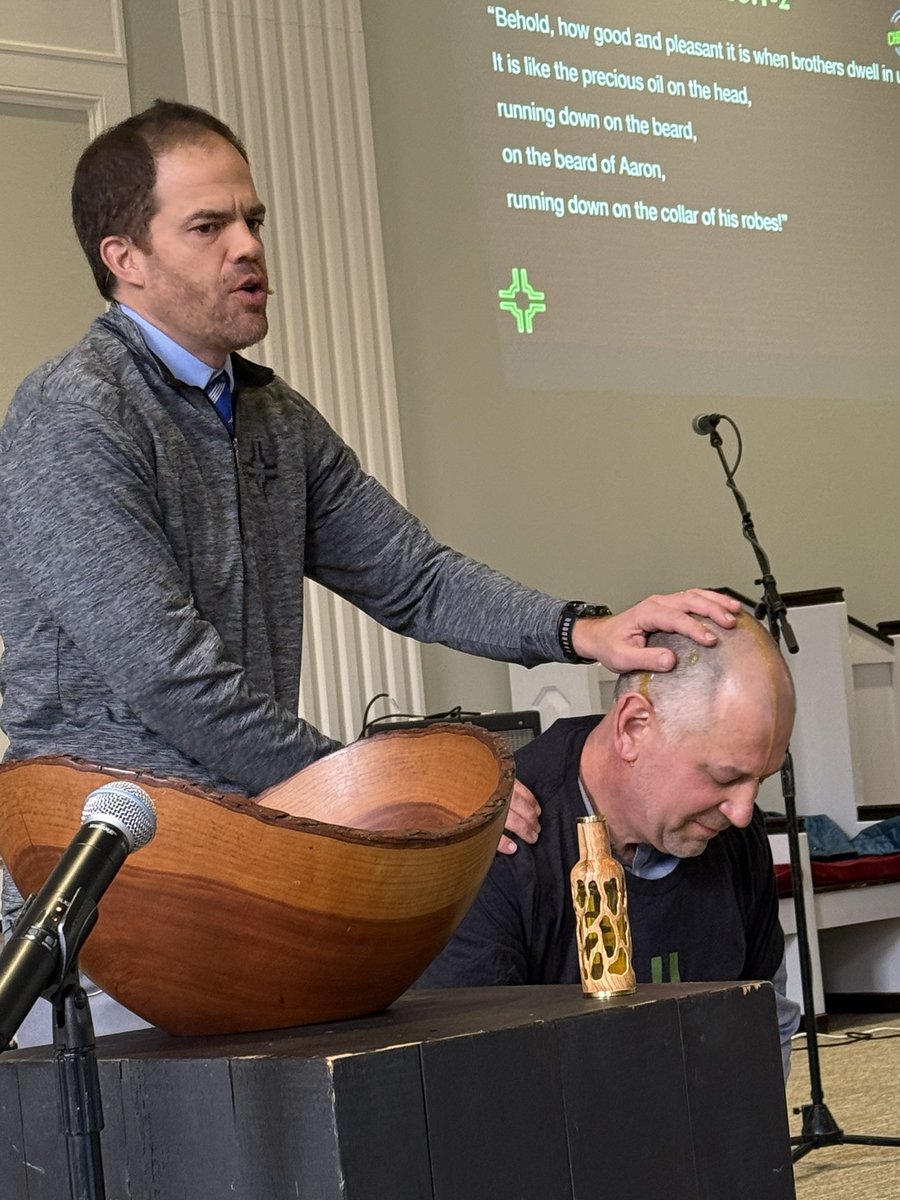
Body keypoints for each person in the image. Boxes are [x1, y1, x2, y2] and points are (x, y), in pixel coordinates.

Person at [0, 99, 739, 1041]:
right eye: (208, 226)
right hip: (98, 889)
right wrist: (364, 795)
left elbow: (414, 576)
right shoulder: (72, 413)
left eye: (253, 220)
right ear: (124, 258)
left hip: (237, 861)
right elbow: (168, 672)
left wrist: (579, 629)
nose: (247, 247)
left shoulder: (274, 416)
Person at [417, 613, 801, 1077]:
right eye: (725, 776)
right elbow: (470, 1080)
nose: (742, 811)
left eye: (759, 779)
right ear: (633, 727)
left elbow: (764, 1022)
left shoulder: (734, 829)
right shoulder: (501, 844)